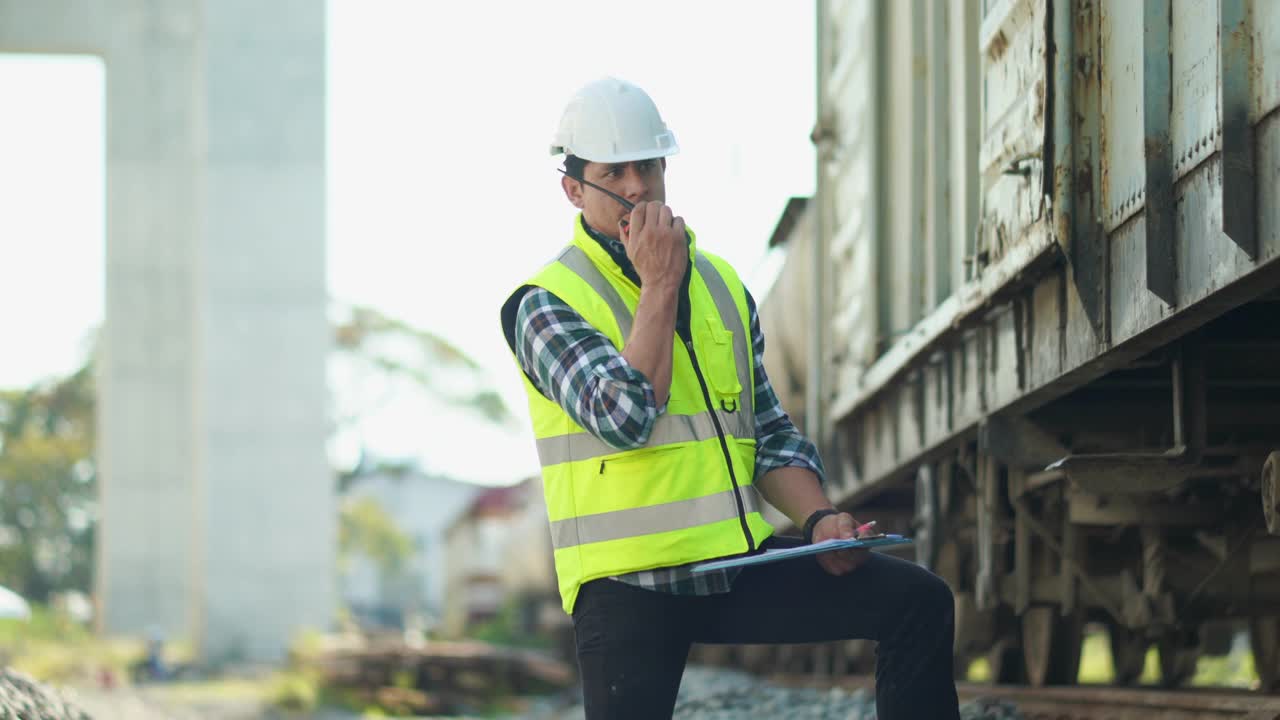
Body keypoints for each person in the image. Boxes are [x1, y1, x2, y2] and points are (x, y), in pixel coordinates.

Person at [499, 77, 960, 720]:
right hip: (630, 587)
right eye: (613, 173)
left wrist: (821, 523)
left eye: (648, 165)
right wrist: (658, 283)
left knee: (919, 601)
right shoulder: (545, 303)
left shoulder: (719, 282)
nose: (635, 186)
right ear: (573, 188)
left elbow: (768, 434)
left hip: (733, 567)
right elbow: (624, 418)